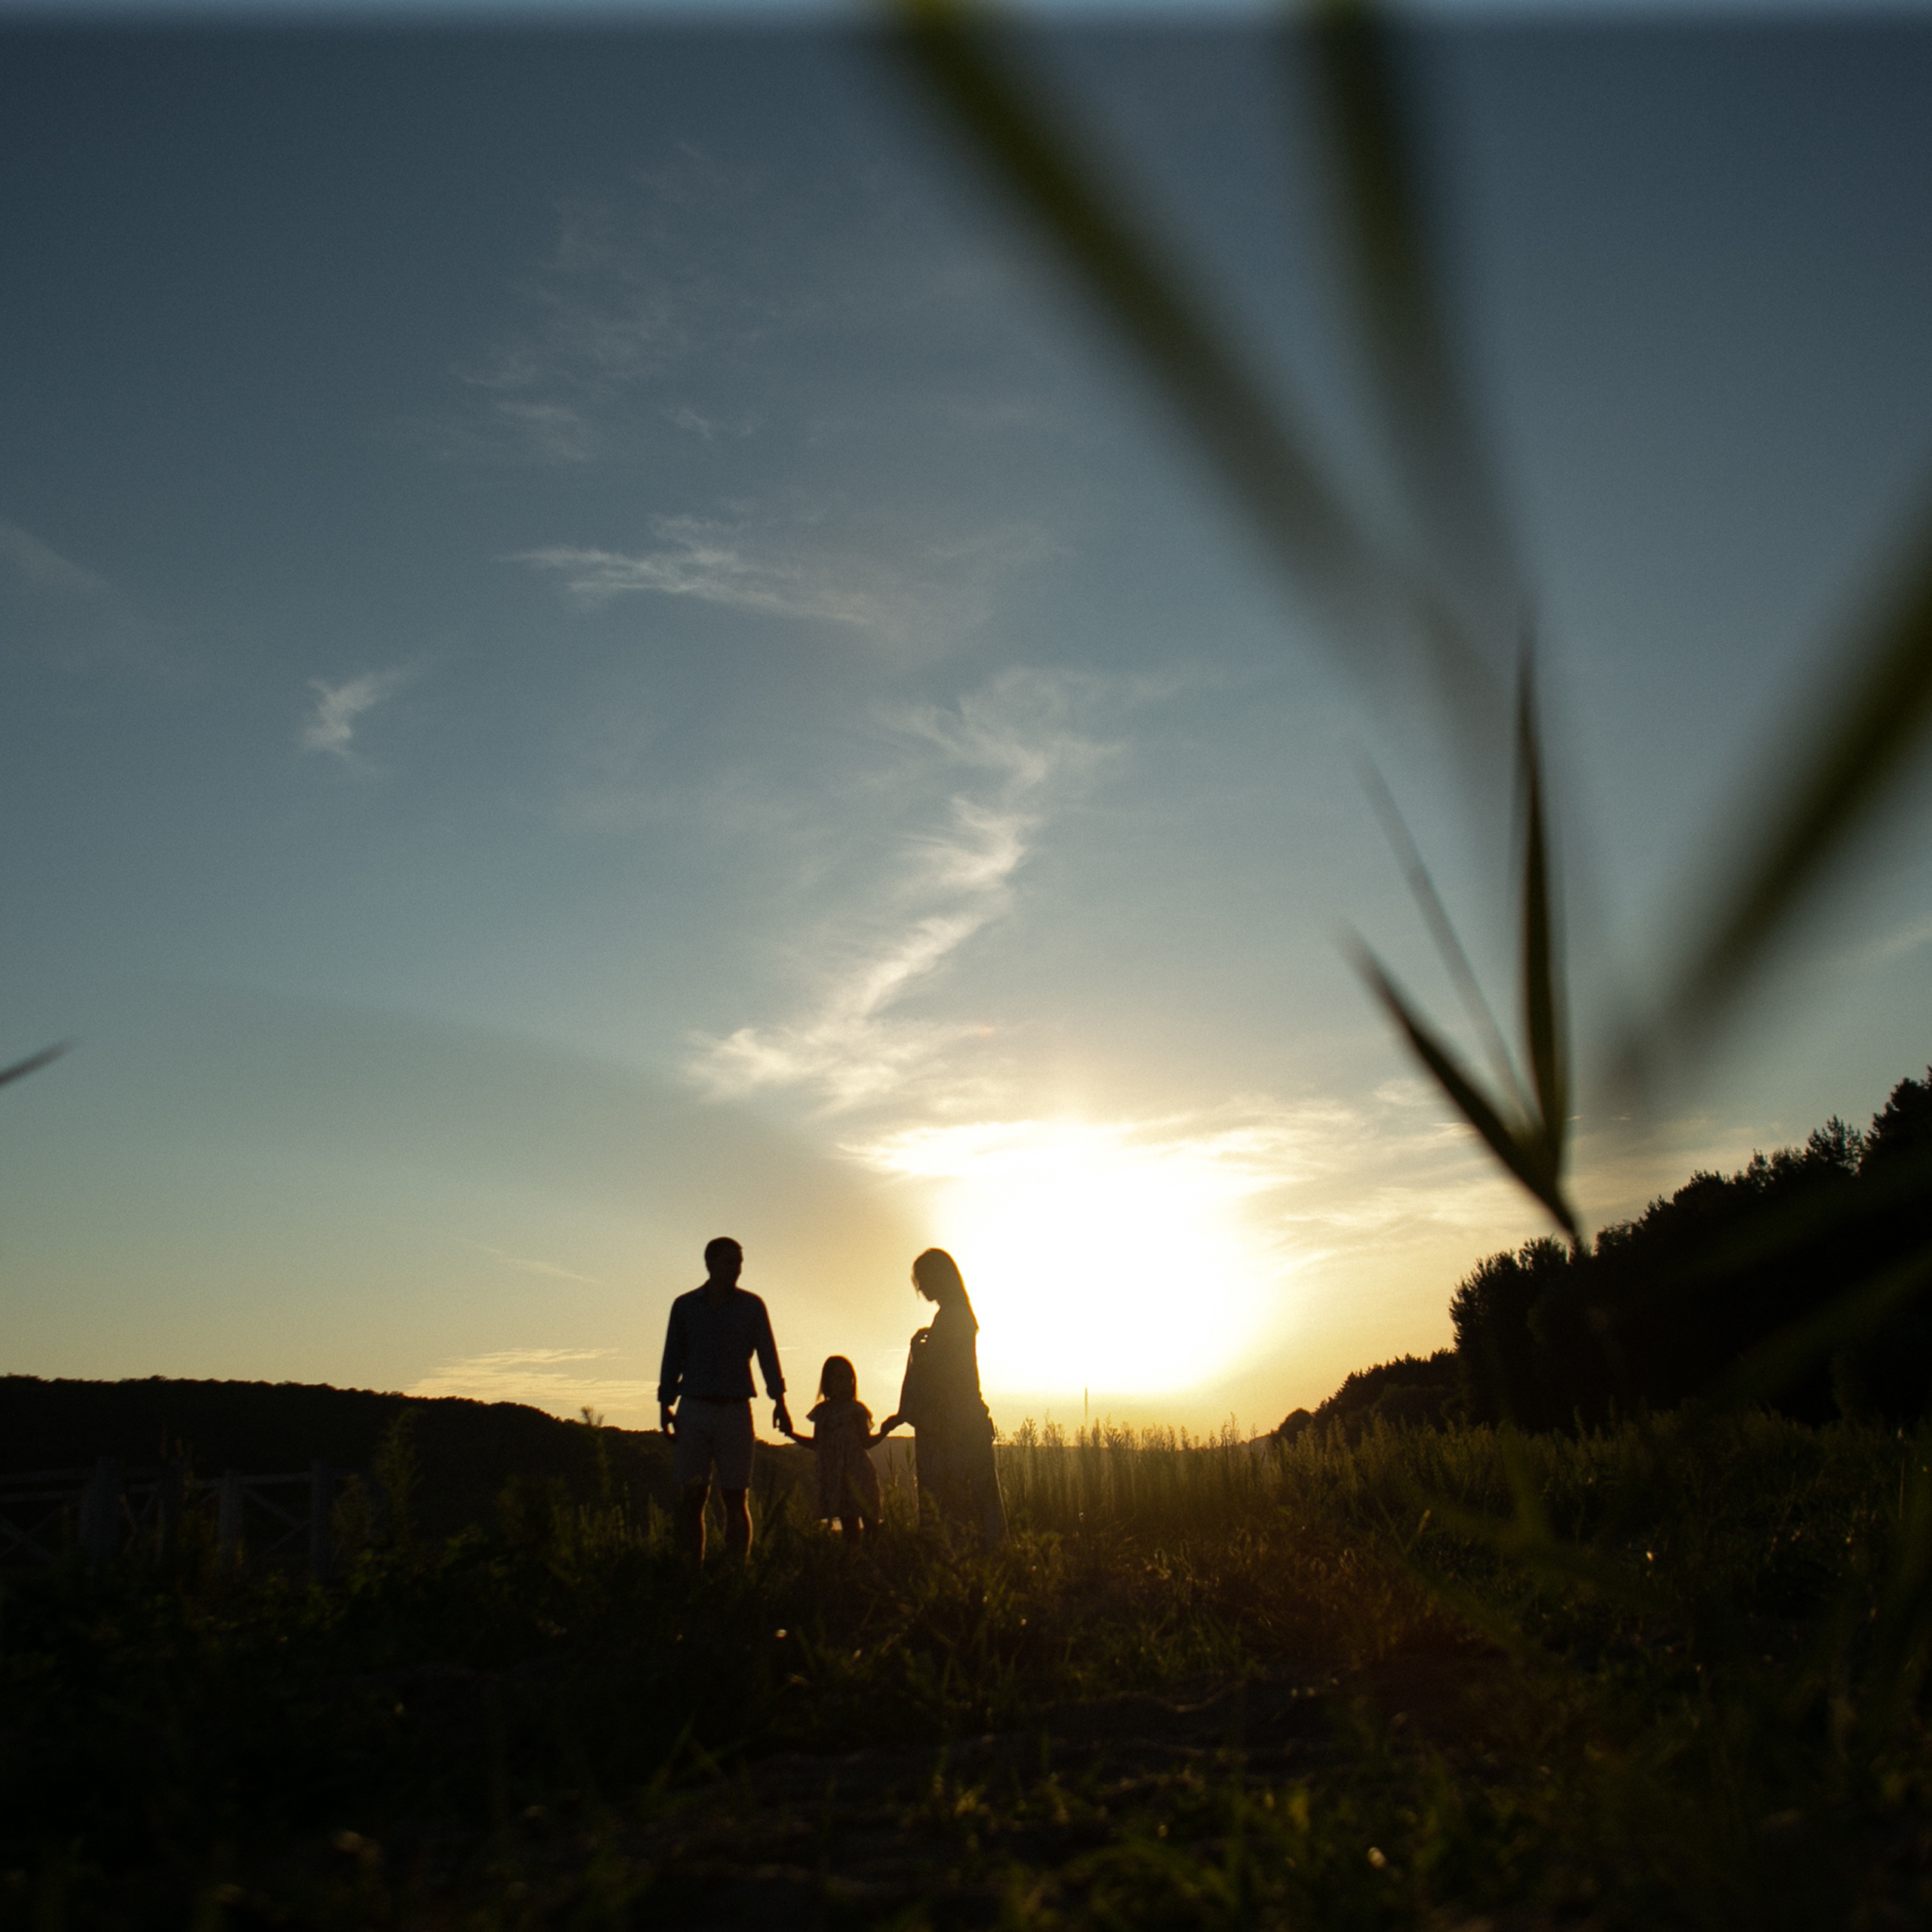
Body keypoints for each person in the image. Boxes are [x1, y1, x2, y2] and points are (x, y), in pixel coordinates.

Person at [657, 1235, 790, 1563]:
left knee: (735, 1496)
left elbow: (768, 1357)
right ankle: (690, 1575)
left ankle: (736, 1575)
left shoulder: (752, 1306)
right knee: (693, 1497)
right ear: (711, 1263)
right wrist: (665, 1403)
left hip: (734, 1409)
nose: (737, 1269)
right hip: (693, 1408)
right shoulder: (685, 1306)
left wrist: (780, 1401)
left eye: (739, 1262)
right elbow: (672, 1356)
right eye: (730, 1261)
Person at [877, 1247, 1006, 1546]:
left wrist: (920, 1351)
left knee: (959, 1500)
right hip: (963, 1417)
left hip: (955, 1422)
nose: (921, 1288)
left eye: (923, 1280)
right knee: (974, 1498)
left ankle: (969, 1563)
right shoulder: (956, 1314)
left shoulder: (952, 1317)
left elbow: (943, 1373)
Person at [783, 1355, 884, 1551]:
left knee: (871, 1524)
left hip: (859, 1474)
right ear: (828, 1382)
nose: (845, 1383)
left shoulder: (856, 1410)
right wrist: (792, 1435)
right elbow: (817, 1444)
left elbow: (866, 1442)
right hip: (836, 1477)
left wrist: (886, 1430)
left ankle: (878, 1564)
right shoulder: (822, 1413)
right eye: (839, 1378)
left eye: (849, 1378)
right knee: (849, 1528)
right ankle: (854, 1567)